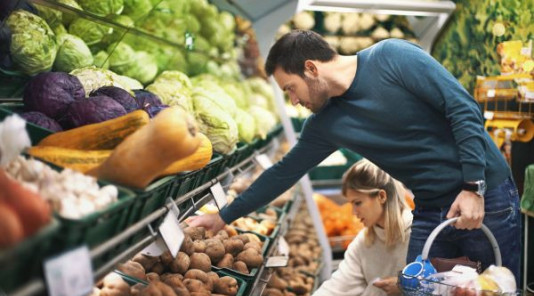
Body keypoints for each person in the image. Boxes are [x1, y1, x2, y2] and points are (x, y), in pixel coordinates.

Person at [188, 30, 521, 283]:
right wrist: (224, 216)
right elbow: (283, 172)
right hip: (431, 206)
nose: (293, 101)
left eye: (291, 88)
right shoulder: (325, 124)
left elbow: (463, 109)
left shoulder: (393, 57)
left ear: (310, 68)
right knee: (419, 287)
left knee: (495, 286)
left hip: (485, 194)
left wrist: (473, 186)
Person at [313, 159, 412, 296]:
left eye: (358, 203)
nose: (353, 212)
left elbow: (443, 282)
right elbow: (337, 287)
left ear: (381, 196)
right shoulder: (364, 242)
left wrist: (408, 286)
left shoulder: (417, 235)